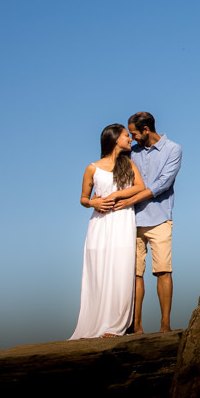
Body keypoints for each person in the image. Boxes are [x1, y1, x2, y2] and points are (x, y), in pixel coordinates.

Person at [70, 124, 148, 339]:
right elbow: (83, 199)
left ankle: (116, 325)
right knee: (98, 271)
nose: (129, 139)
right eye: (125, 136)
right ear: (114, 139)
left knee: (121, 271)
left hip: (122, 221)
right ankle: (93, 322)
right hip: (100, 224)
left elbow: (140, 187)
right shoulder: (92, 168)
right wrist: (94, 203)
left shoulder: (128, 164)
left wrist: (116, 195)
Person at [113, 111, 182, 334]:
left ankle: (164, 325)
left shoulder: (173, 149)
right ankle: (137, 327)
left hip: (160, 218)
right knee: (134, 274)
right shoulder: (130, 153)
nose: (131, 138)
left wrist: (130, 199)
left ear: (146, 130)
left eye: (133, 133)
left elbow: (163, 183)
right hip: (131, 220)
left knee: (163, 270)